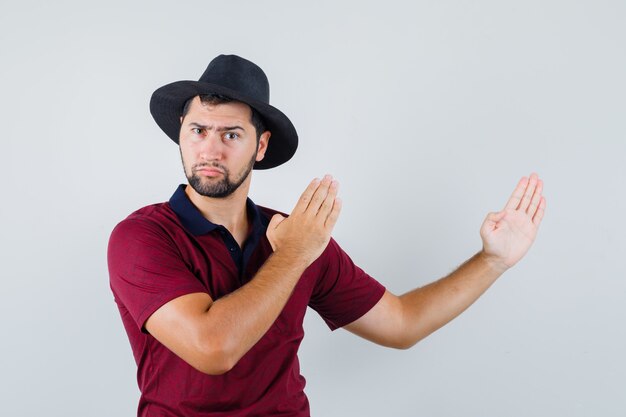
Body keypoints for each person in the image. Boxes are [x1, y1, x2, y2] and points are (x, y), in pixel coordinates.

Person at [108, 54, 546, 417]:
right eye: (198, 131)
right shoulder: (142, 237)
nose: (210, 149)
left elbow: (401, 323)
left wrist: (492, 261)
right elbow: (214, 349)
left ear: (260, 147)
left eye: (231, 134)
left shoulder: (300, 235)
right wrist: (293, 255)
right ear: (181, 134)